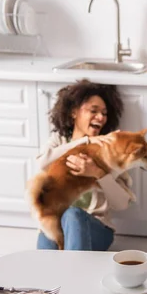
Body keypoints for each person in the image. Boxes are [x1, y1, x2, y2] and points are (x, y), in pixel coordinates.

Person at [36, 79, 134, 251]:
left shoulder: (107, 151)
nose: (101, 117)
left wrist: (98, 173)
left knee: (73, 214)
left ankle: (75, 274)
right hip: (57, 224)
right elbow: (41, 163)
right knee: (47, 235)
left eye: (104, 113)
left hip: (96, 229)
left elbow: (122, 203)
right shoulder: (58, 142)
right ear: (74, 113)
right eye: (93, 111)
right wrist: (84, 141)